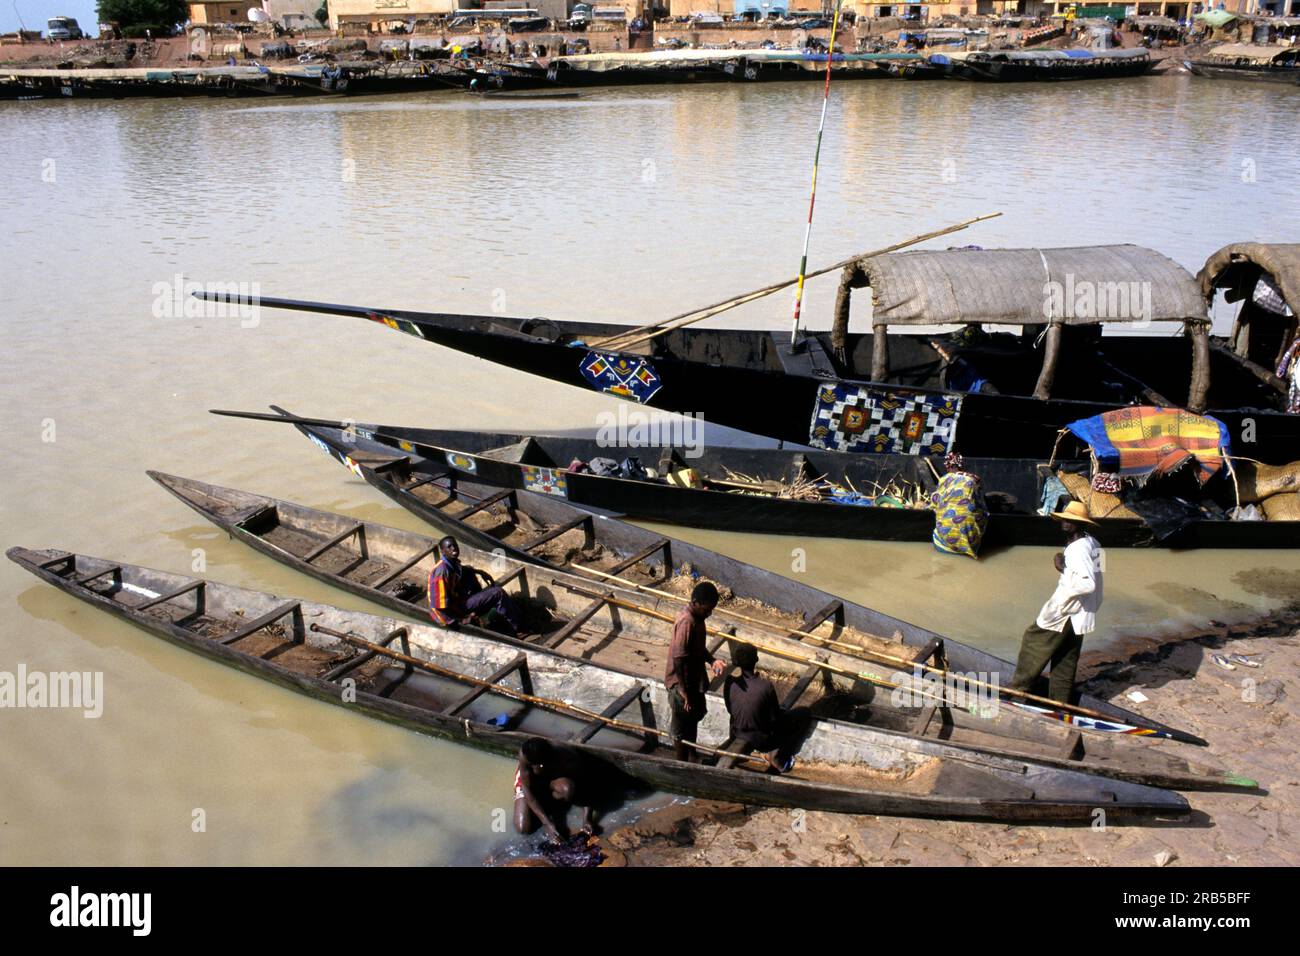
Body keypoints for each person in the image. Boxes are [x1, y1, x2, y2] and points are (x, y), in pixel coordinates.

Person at [1009, 501, 1104, 703]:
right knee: (1065, 657)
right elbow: (1099, 573)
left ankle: (1017, 692)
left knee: (1033, 641)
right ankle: (1059, 702)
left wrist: (1062, 567)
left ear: (1080, 524)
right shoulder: (1094, 544)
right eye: (1065, 518)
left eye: (1071, 520)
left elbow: (1088, 584)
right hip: (1084, 611)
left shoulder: (1078, 549)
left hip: (1066, 609)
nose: (1065, 523)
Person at [723, 644, 809, 773]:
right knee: (804, 713)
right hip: (760, 739)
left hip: (736, 732)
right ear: (756, 660)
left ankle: (741, 746)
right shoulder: (765, 686)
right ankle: (778, 755)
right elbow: (774, 718)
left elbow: (730, 709)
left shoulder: (730, 682)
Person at [665, 582, 727, 762]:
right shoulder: (687, 621)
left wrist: (712, 660)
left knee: (694, 716)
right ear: (697, 603)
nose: (710, 613)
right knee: (681, 725)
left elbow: (698, 648)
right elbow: (678, 658)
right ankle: (681, 762)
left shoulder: (698, 620)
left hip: (693, 679)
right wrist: (683, 690)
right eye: (708, 609)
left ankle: (692, 754)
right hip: (681, 683)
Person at [427, 535, 523, 636]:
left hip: (455, 598)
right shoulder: (442, 572)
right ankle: (516, 628)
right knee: (498, 593)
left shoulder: (451, 562)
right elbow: (439, 606)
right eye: (449, 546)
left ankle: (479, 607)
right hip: (450, 611)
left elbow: (463, 569)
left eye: (455, 545)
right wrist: (461, 620)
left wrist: (480, 572)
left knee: (469, 572)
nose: (453, 548)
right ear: (443, 551)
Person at [514, 737, 596, 839]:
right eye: (536, 765)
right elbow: (527, 789)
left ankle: (549, 806)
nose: (540, 766)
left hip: (553, 780)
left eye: (542, 763)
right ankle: (543, 809)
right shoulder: (525, 756)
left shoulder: (567, 757)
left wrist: (587, 819)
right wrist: (546, 823)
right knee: (523, 828)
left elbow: (587, 785)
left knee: (567, 790)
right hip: (533, 784)